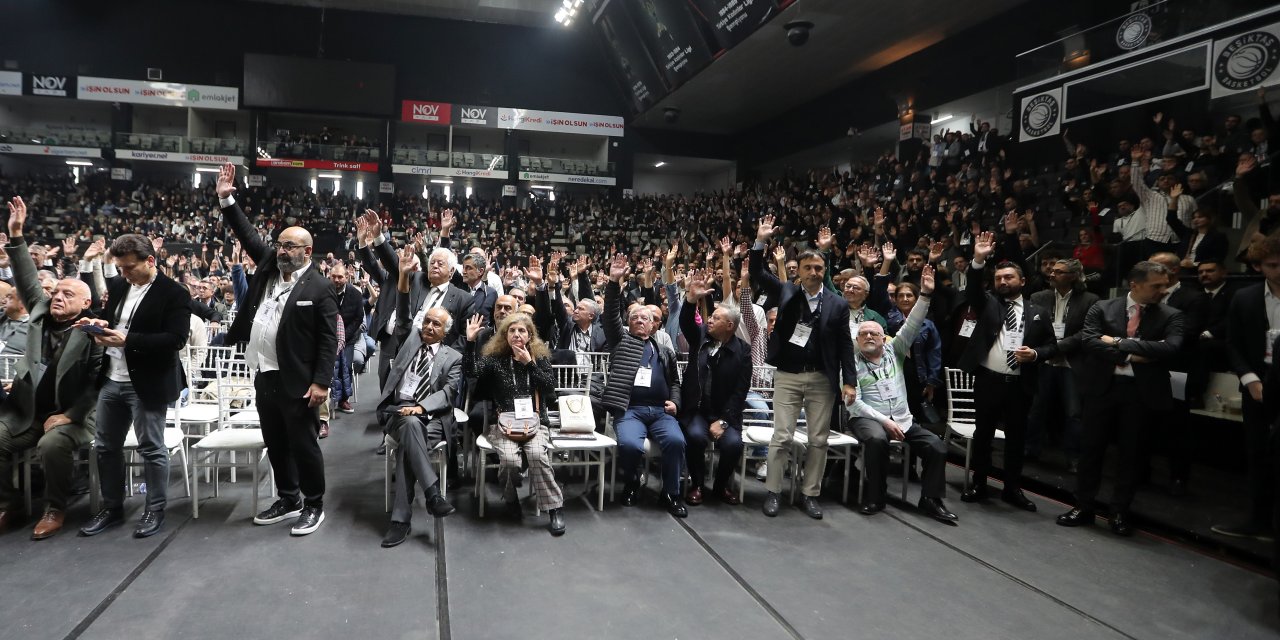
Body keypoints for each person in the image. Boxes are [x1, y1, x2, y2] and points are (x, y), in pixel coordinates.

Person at [215, 162, 337, 537]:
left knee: (303, 443)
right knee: (276, 441)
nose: (281, 250)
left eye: (289, 246)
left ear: (308, 250)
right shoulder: (269, 266)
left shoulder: (319, 287)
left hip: (299, 380)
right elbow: (248, 235)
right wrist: (226, 199)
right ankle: (289, 498)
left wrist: (321, 383)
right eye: (280, 244)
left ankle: (314, 503)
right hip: (264, 373)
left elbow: (329, 340)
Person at [75, 227, 190, 539]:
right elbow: (115, 321)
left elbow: (176, 340)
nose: (123, 273)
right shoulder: (120, 285)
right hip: (113, 378)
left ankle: (155, 508)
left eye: (129, 267)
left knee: (152, 447)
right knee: (106, 446)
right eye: (120, 267)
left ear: (150, 260)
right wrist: (101, 324)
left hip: (148, 381)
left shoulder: (174, 293)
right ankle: (112, 508)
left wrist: (127, 340)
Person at [0, 197, 101, 540]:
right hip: (29, 413)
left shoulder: (91, 331)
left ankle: (54, 508)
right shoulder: (41, 313)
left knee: (52, 443)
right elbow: (27, 277)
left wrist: (71, 415)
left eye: (67, 294)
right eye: (56, 291)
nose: (57, 296)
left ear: (85, 303)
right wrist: (16, 235)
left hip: (73, 417)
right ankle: (9, 504)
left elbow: (95, 385)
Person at [1057, 261, 1183, 536]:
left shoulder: (1171, 315)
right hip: (1103, 387)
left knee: (1132, 454)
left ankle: (1119, 512)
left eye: (1165, 285)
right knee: (1091, 450)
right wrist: (1134, 354)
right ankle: (1083, 506)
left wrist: (1116, 343)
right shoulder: (1102, 307)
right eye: (1156, 286)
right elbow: (1090, 342)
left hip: (1140, 393)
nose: (1163, 290)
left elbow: (1171, 348)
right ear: (1135, 284)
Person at [749, 215, 856, 520]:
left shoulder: (836, 303)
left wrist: (849, 381)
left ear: (825, 272)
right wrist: (760, 241)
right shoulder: (786, 292)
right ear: (800, 271)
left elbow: (846, 346)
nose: (813, 272)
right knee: (781, 436)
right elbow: (756, 272)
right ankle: (773, 492)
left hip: (822, 377)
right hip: (788, 375)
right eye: (807, 268)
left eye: (818, 268)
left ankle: (810, 494)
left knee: (818, 440)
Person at [847, 264, 956, 524]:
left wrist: (926, 296)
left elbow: (913, 322)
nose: (869, 336)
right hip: (868, 419)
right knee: (876, 440)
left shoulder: (895, 350)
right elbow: (856, 404)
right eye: (863, 334)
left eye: (874, 333)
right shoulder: (851, 362)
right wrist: (885, 422)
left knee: (937, 446)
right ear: (857, 340)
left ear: (884, 336)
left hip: (902, 418)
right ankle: (876, 494)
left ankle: (931, 498)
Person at [956, 231, 1055, 511]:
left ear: (1023, 281)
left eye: (1008, 277)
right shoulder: (987, 302)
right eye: (999, 278)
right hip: (988, 381)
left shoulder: (1038, 311)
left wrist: (1035, 354)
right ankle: (979, 483)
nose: (1002, 282)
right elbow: (973, 287)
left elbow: (1051, 345)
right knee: (983, 436)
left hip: (1020, 383)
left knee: (1016, 439)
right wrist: (978, 259)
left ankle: (1012, 488)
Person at [463, 311, 565, 535]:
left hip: (536, 421)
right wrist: (470, 343)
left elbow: (549, 389)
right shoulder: (495, 359)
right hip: (504, 423)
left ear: (530, 335)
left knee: (537, 456)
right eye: (512, 330)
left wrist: (529, 363)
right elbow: (471, 372)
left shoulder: (540, 358)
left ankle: (554, 508)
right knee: (509, 461)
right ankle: (511, 500)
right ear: (505, 334)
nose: (517, 334)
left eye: (522, 331)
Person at [600, 254, 687, 517]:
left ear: (653, 325)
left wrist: (675, 401)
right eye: (634, 317)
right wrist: (614, 282)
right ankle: (632, 482)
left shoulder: (664, 350)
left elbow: (675, 381)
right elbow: (610, 315)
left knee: (676, 441)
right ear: (629, 323)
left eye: (644, 318)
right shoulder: (621, 342)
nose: (639, 320)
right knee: (629, 445)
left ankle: (670, 493)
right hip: (630, 409)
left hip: (660, 411)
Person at [379, 307, 461, 548]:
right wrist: (403, 276)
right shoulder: (409, 341)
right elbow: (403, 318)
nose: (429, 327)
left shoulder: (453, 357)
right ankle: (433, 494)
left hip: (433, 419)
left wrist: (422, 407)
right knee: (411, 425)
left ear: (445, 332)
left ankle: (400, 521)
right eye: (427, 321)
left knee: (410, 440)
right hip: (400, 413)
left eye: (436, 324)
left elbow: (448, 393)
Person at [1218, 235, 1280, 541]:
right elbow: (1234, 343)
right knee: (1257, 453)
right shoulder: (1245, 298)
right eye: (1273, 265)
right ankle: (1258, 520)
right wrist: (1250, 379)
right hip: (1257, 382)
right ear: (1258, 267)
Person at [678, 270, 751, 506]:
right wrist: (691, 301)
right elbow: (686, 322)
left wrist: (724, 420)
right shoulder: (700, 337)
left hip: (724, 413)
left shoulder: (743, 351)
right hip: (697, 410)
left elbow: (741, 391)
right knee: (696, 437)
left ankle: (720, 486)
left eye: (716, 318)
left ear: (729, 325)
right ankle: (697, 484)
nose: (709, 320)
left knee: (732, 445)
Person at [1026, 259, 1098, 470]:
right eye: (1052, 271)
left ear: (1073, 276)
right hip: (1043, 361)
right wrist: (1047, 350)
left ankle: (1074, 457)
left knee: (1074, 413)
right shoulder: (1038, 297)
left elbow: (1088, 331)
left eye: (1058, 272)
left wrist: (1059, 348)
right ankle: (1030, 449)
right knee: (1036, 409)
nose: (1051, 274)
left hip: (1071, 362)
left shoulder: (1090, 300)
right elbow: (1033, 326)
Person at [330, 262, 364, 415]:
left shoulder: (355, 294)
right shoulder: (324, 291)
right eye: (333, 277)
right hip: (328, 336)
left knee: (346, 364)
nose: (336, 280)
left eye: (340, 277)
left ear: (347, 277)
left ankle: (344, 399)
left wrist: (344, 336)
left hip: (349, 337)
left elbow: (359, 318)